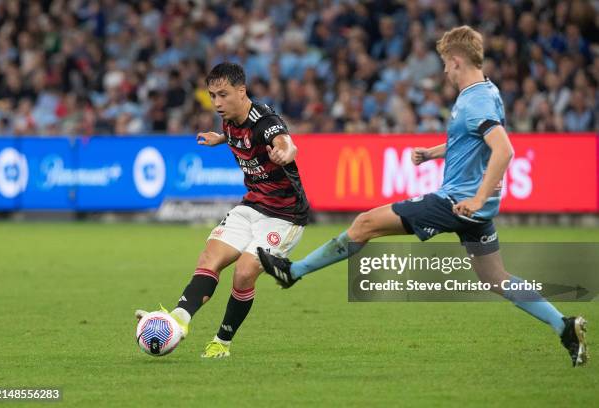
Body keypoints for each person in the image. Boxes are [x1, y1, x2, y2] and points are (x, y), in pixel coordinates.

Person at [258, 26, 588, 367]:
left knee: (364, 223)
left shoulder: (474, 101)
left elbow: (503, 151)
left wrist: (476, 199)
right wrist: (434, 154)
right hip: (474, 209)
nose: (444, 71)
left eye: (446, 64)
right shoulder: (487, 91)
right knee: (495, 278)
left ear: (457, 61)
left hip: (457, 203)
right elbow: (472, 142)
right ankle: (563, 326)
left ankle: (293, 272)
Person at [137, 62, 309, 358]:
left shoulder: (264, 120)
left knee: (243, 273)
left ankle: (222, 342)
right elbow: (236, 135)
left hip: (284, 217)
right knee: (209, 258)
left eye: (223, 95)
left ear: (241, 92)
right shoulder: (229, 120)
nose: (216, 103)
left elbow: (284, 140)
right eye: (212, 95)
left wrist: (285, 151)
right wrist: (220, 138)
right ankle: (179, 319)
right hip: (252, 205)